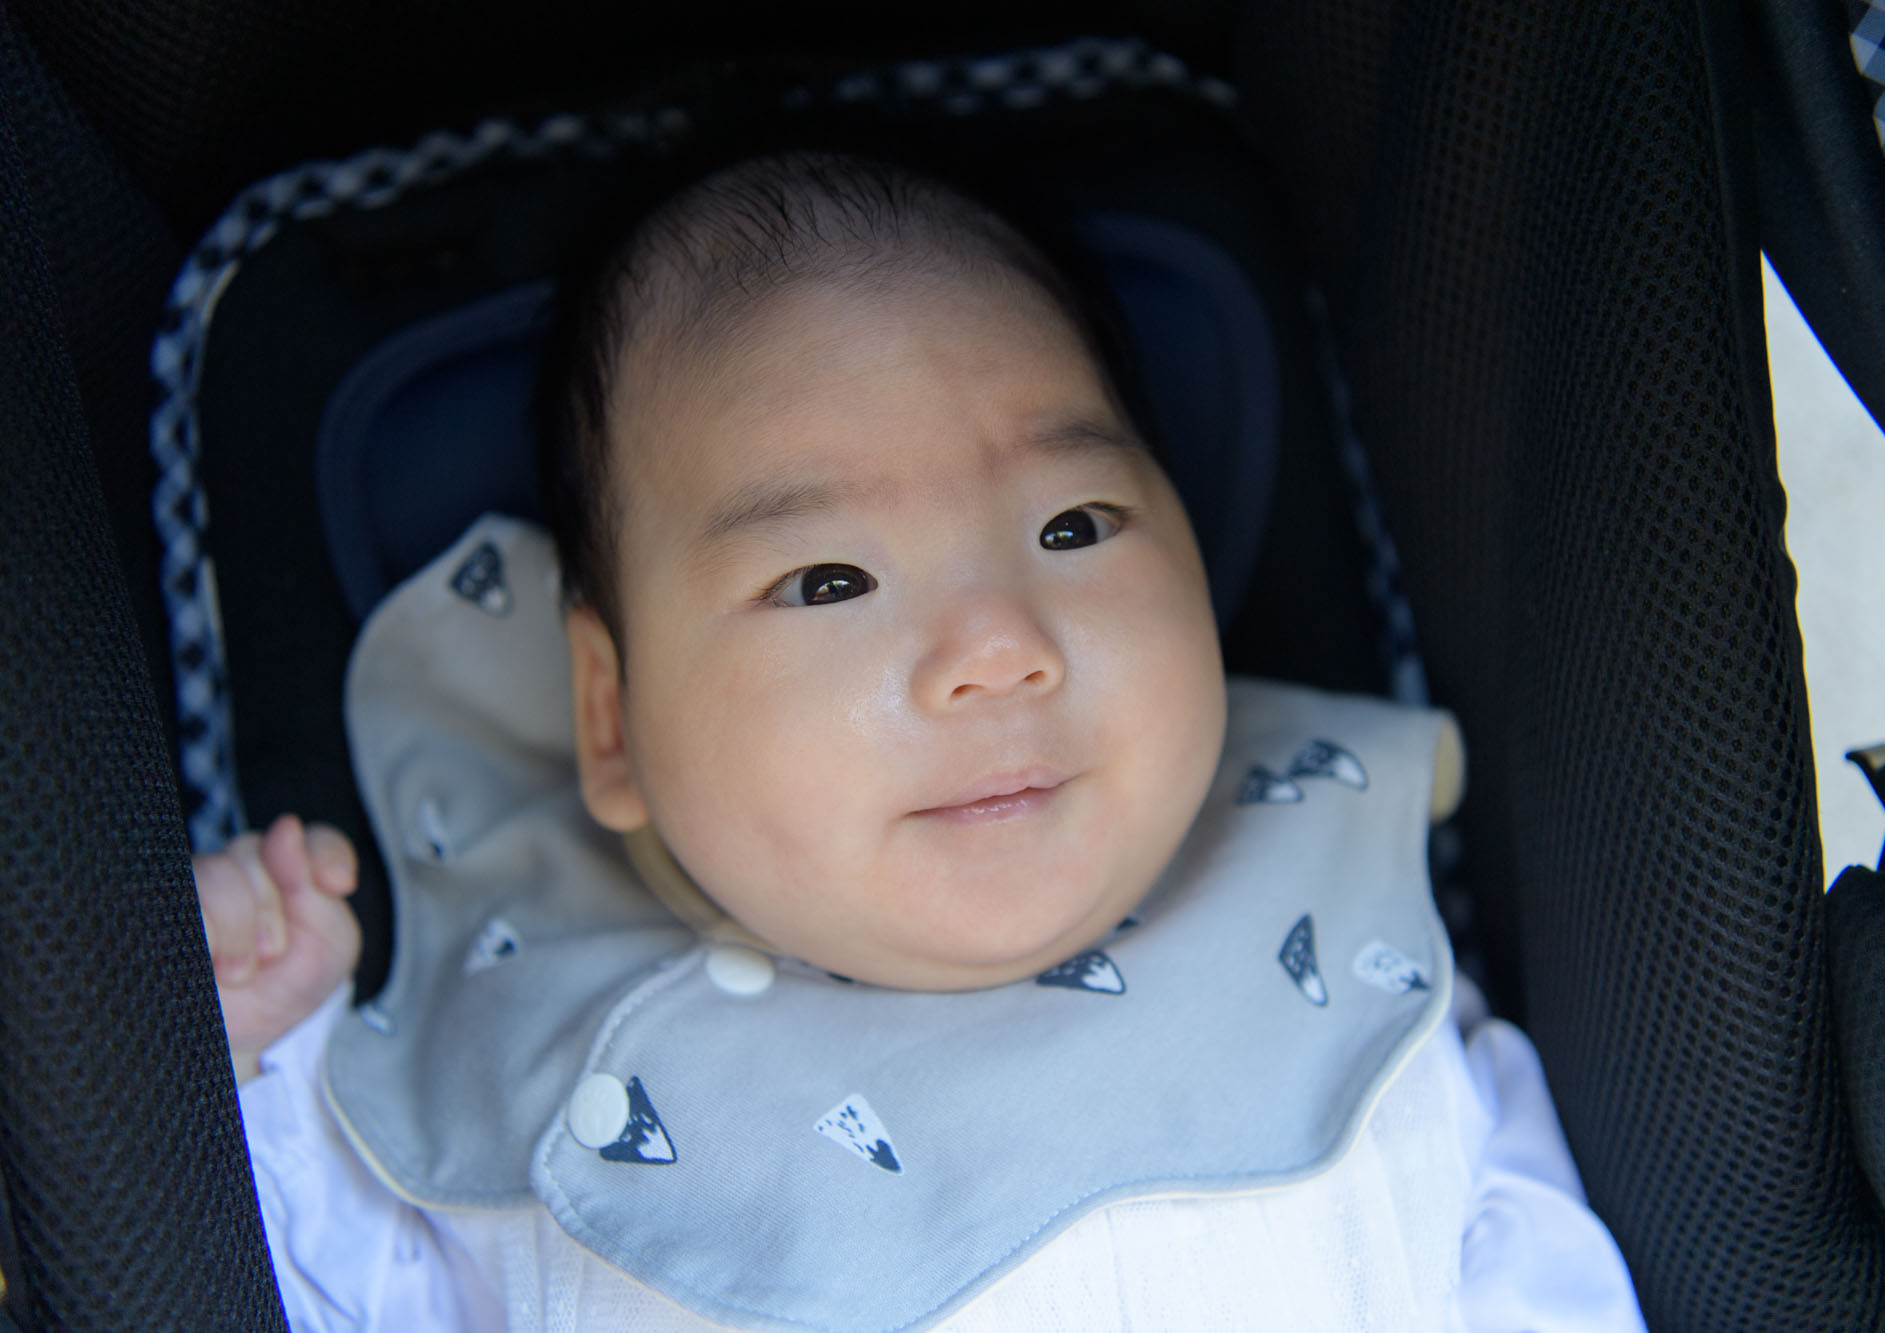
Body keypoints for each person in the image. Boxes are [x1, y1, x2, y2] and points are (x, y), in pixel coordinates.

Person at [200, 151, 1647, 1331]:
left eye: (1072, 526)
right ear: (612, 714)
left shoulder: (1344, 934)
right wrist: (258, 1060)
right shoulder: (539, 1074)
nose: (997, 646)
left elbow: (1536, 1268)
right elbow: (331, 1296)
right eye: (829, 579)